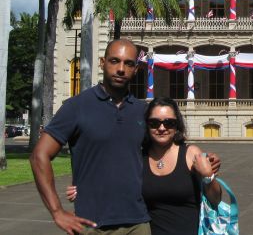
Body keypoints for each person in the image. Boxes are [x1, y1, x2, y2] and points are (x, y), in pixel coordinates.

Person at [30, 39, 220, 235]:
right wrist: (57, 211)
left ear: (136, 69)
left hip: (138, 224)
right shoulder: (76, 107)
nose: (121, 69)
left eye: (128, 63)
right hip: (91, 224)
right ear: (103, 63)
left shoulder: (144, 113)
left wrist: (207, 162)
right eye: (114, 61)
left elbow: (168, 149)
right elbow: (39, 156)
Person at [69, 97, 222, 235]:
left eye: (169, 123)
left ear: (177, 126)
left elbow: (215, 200)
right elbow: (114, 181)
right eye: (154, 123)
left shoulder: (190, 154)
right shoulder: (139, 157)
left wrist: (208, 176)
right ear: (146, 125)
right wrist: (83, 188)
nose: (162, 128)